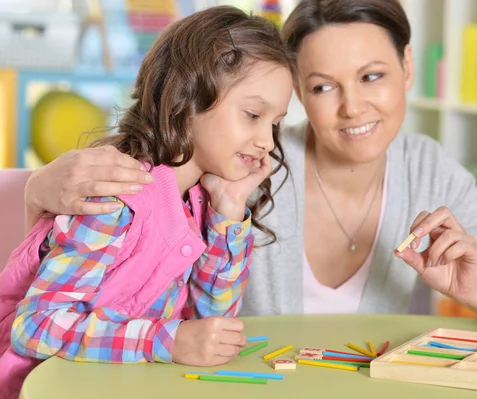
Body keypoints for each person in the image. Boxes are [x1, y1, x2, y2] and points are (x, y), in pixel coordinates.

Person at [22, 0, 477, 331]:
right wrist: (39, 188)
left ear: (406, 66)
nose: (352, 107)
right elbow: (134, 270)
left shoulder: (429, 168)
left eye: (373, 76)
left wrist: (474, 292)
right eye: (323, 86)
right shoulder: (251, 159)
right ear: (297, 95)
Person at [0, 6, 293, 396]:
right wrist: (165, 341)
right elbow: (34, 327)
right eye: (253, 114)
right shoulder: (119, 196)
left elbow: (210, 329)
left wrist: (229, 207)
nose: (268, 142)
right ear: (187, 99)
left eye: (274, 123)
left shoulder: (199, 199)